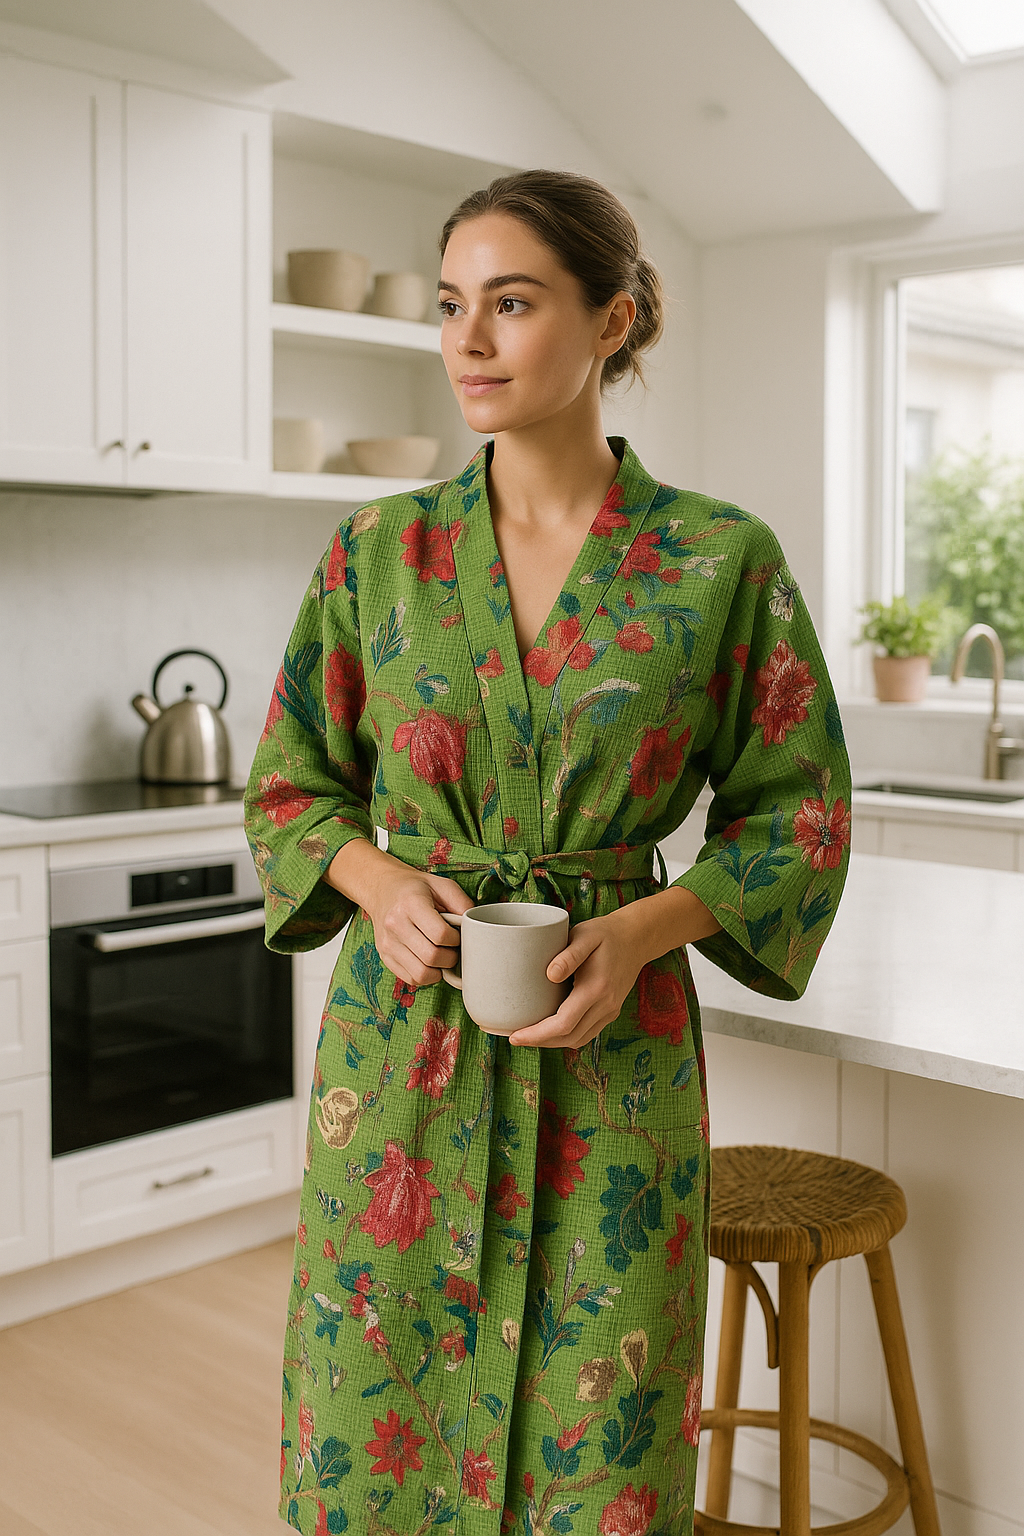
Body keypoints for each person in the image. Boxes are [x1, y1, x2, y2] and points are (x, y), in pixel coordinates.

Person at [245, 168, 852, 1536]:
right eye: (453, 304)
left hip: (612, 1052)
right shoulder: (376, 556)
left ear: (610, 322)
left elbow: (797, 807)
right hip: (403, 1053)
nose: (466, 340)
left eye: (510, 304)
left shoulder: (716, 561)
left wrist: (640, 928)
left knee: (603, 1411)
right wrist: (379, 879)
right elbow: (290, 788)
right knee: (377, 1398)